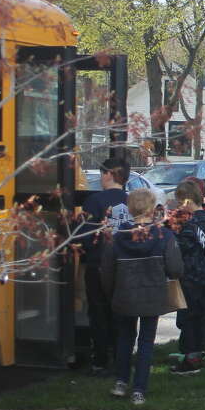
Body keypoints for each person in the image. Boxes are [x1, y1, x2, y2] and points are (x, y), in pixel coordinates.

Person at [100, 188, 181, 406]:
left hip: (124, 294)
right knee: (146, 341)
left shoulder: (118, 238)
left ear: (129, 208)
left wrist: (112, 293)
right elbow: (175, 268)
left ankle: (121, 381)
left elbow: (107, 272)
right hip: (152, 295)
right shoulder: (164, 235)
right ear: (153, 208)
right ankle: (139, 389)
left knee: (125, 339)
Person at [79, 156, 131, 375]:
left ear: (110, 174)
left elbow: (83, 236)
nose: (100, 178)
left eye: (102, 173)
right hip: (126, 266)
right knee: (122, 314)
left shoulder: (94, 202)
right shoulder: (132, 201)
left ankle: (100, 360)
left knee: (98, 313)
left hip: (99, 264)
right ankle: (122, 357)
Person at [168, 178, 205, 376]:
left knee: (188, 317)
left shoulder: (189, 224)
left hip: (191, 274)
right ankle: (200, 350)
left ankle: (191, 357)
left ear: (187, 201)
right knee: (202, 314)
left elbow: (183, 247)